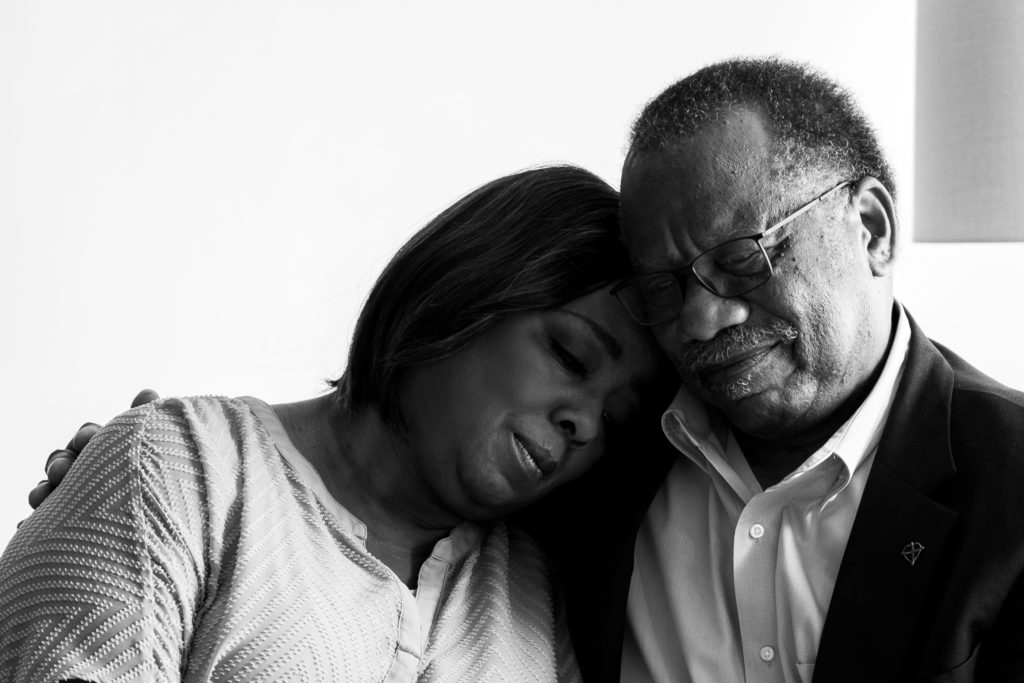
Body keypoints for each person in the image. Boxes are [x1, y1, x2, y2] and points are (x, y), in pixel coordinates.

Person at [0, 165, 671, 682]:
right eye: (571, 354)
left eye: (615, 417)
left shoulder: (527, 588)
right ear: (467, 287)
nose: (585, 423)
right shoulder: (187, 472)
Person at [541, 58, 1024, 683]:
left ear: (872, 228)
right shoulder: (604, 454)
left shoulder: (1011, 489)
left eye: (742, 259)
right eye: (662, 286)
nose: (701, 319)